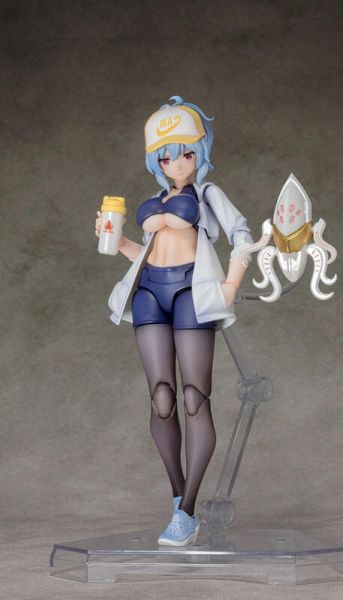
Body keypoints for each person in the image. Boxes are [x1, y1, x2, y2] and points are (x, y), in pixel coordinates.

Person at [95, 96, 253, 546]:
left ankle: (187, 510)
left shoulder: (208, 194)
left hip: (190, 291)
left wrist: (230, 285)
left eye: (184, 153)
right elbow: (144, 252)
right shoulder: (156, 199)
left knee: (193, 397)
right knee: (161, 397)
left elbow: (242, 235)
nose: (174, 162)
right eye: (164, 156)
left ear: (199, 151)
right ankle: (178, 500)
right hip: (149, 290)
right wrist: (118, 242)